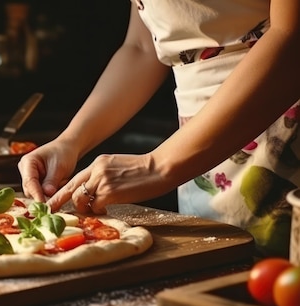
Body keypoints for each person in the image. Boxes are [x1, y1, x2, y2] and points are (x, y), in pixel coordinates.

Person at [18, 0, 300, 258]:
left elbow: (292, 37)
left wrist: (157, 165)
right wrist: (70, 141)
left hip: (282, 130)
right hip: (192, 147)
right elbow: (142, 48)